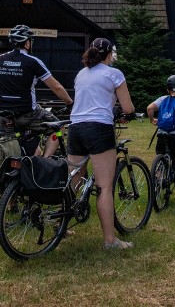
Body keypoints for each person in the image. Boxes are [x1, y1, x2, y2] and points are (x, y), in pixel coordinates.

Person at [67, 37, 135, 249]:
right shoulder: (114, 73)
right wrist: (125, 113)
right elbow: (128, 107)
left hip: (75, 127)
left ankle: (61, 228)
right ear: (108, 55)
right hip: (98, 128)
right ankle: (110, 241)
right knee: (105, 186)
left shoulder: (81, 74)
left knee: (73, 182)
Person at [0, 24, 73, 158]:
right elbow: (55, 86)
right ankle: (44, 163)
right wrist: (69, 102)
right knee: (57, 129)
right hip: (28, 114)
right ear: (27, 43)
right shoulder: (33, 62)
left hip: (5, 115)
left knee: (14, 144)